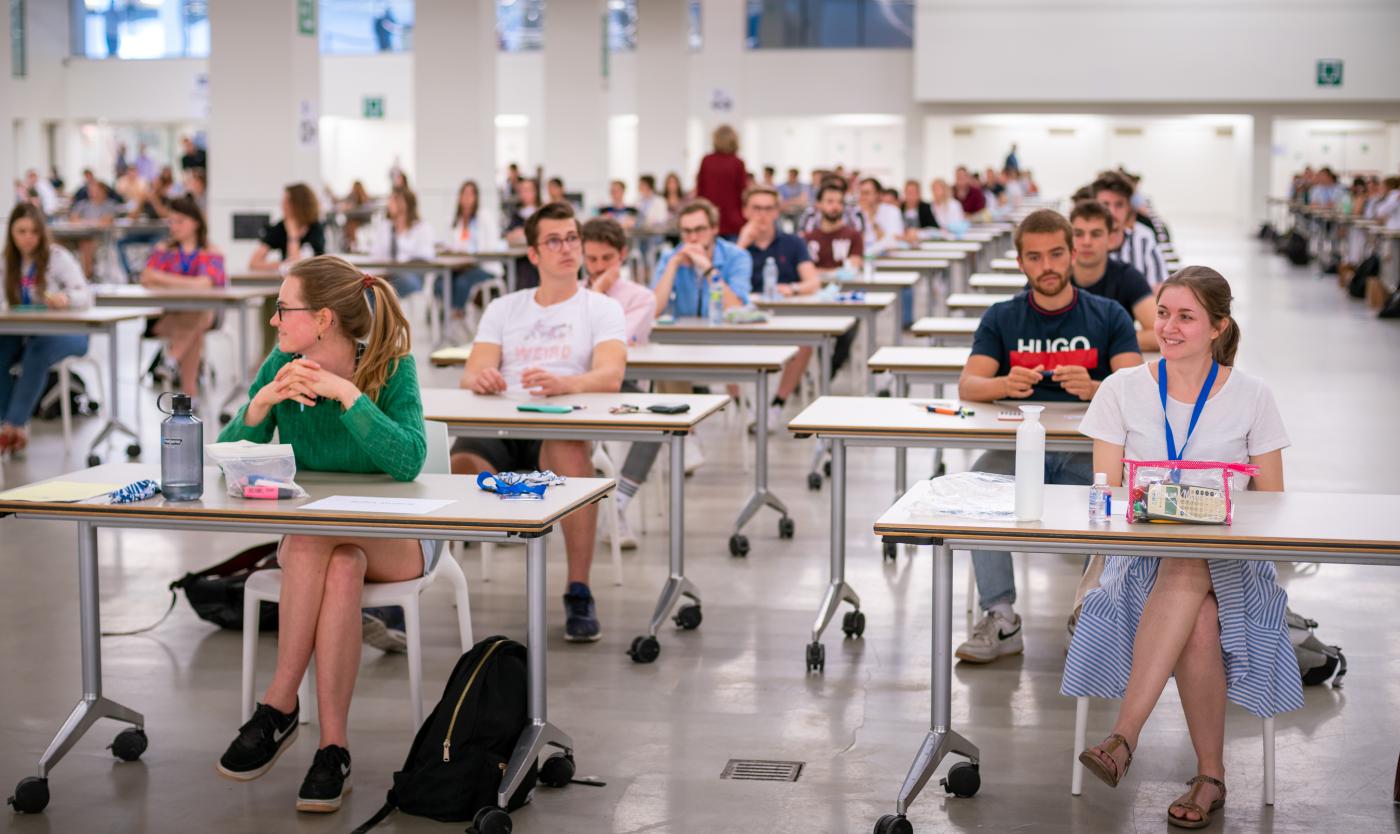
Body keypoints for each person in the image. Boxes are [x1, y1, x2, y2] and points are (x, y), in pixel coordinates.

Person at [1065, 266, 1300, 828]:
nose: (1168, 327)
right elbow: (1107, 488)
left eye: (1185, 317)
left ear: (1218, 327)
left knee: (1192, 562)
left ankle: (1124, 736)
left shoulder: (1252, 396)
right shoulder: (1122, 388)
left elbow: (1273, 500)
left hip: (1235, 562)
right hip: (1136, 557)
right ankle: (1209, 778)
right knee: (1193, 598)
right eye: (1164, 313)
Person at [214, 255, 424, 814]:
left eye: (284, 309)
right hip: (331, 544)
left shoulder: (391, 366)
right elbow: (226, 462)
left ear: (324, 318)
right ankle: (334, 749)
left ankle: (279, 704)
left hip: (396, 539)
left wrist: (346, 394)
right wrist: (261, 405)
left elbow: (408, 461)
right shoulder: (281, 364)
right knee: (338, 558)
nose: (275, 321)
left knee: (317, 540)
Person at [954, 209, 1142, 664]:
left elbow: (1139, 388)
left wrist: (1098, 389)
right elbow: (968, 386)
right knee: (979, 489)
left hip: (1087, 451)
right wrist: (1004, 385)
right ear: (1020, 263)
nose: (1047, 266)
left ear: (1073, 253)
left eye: (1056, 253)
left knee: (1112, 500)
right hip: (1020, 450)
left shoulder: (1107, 314)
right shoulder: (1002, 317)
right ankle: (1001, 617)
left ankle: (1088, 611)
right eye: (1035, 257)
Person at [450, 202, 627, 642]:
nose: (566, 248)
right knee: (459, 465)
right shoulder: (506, 308)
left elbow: (612, 374)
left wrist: (566, 383)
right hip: (500, 424)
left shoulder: (600, 308)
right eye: (554, 240)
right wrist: (485, 378)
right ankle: (427, 577)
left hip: (561, 422)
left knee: (567, 451)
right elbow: (470, 372)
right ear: (533, 253)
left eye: (572, 238)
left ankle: (578, 588)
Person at [581, 217, 658, 549]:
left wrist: (595, 295)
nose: (598, 267)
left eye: (606, 259)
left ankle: (619, 504)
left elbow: (608, 345)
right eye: (592, 259)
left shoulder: (641, 297)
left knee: (655, 424)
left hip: (617, 385)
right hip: (570, 386)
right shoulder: (567, 293)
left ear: (622, 255)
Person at [0, 205, 93, 455]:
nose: (27, 237)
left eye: (33, 231)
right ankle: (9, 425)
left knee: (37, 351)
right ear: (11, 233)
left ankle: (13, 425)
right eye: (21, 231)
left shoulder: (57, 257)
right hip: (24, 334)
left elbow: (85, 296)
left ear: (42, 233)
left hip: (68, 335)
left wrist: (66, 298)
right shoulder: (7, 262)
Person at [737, 185, 823, 430]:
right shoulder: (734, 245)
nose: (762, 215)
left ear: (777, 212)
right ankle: (745, 407)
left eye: (768, 209)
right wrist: (743, 243)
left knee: (805, 342)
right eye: (756, 209)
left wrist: (793, 289)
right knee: (720, 344)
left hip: (783, 317)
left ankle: (776, 404)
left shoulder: (793, 243)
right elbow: (718, 284)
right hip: (744, 318)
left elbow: (813, 282)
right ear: (745, 211)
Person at [141, 195, 226, 391]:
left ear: (195, 223)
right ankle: (188, 394)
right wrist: (188, 284)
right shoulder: (163, 249)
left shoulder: (211, 251)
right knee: (194, 327)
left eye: (180, 222)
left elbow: (204, 285)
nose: (174, 227)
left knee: (197, 313)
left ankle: (172, 360)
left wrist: (162, 279)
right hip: (166, 318)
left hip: (205, 316)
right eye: (171, 222)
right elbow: (146, 277)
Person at [1070, 201, 1157, 351]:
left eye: (1096, 234)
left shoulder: (1129, 277)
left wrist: (1104, 340)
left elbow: (1159, 334)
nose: (1086, 242)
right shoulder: (1052, 277)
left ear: (1110, 238)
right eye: (1078, 234)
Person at [652, 198, 752, 319]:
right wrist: (673, 265)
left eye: (700, 229)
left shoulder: (737, 256)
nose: (693, 238)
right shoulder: (670, 257)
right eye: (686, 231)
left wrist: (708, 269)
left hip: (725, 334)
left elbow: (736, 309)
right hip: (683, 335)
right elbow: (653, 311)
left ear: (714, 228)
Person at [442, 179, 504, 341]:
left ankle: (458, 321)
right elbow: (450, 243)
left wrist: (470, 255)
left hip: (484, 266)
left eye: (471, 194)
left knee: (461, 283)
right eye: (464, 193)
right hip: (460, 266)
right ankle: (453, 320)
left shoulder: (484, 216)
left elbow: (490, 245)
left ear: (477, 197)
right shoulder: (455, 219)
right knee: (440, 283)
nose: (467, 198)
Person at [1094, 172, 1168, 287]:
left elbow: (1159, 290)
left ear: (1129, 208)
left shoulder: (1144, 240)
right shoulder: (1079, 242)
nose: (1112, 212)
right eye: (1105, 204)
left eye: (1119, 205)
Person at [359, 186, 433, 298]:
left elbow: (427, 254)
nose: (389, 204)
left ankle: (385, 312)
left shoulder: (421, 227)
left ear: (405, 203)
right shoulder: (385, 227)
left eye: (393, 200)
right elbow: (375, 253)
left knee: (386, 285)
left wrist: (400, 262)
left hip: (413, 277)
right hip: (388, 274)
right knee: (369, 285)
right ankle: (379, 315)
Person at [249, 183, 326, 271]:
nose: (282, 206)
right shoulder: (280, 227)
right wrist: (282, 264)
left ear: (299, 204)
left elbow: (297, 266)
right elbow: (253, 263)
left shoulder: (316, 228)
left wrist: (293, 235)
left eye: (287, 202)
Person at [695, 124, 748, 240]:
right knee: (733, 256)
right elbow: (743, 193)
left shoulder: (707, 160)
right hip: (733, 220)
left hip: (709, 219)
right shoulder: (738, 162)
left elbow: (700, 191)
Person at [68, 179, 122, 278]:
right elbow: (73, 219)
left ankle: (86, 276)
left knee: (86, 243)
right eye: (91, 190)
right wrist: (92, 222)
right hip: (76, 235)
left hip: (99, 238)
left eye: (96, 190)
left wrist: (83, 222)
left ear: (103, 191)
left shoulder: (110, 205)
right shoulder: (82, 204)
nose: (93, 193)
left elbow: (105, 222)